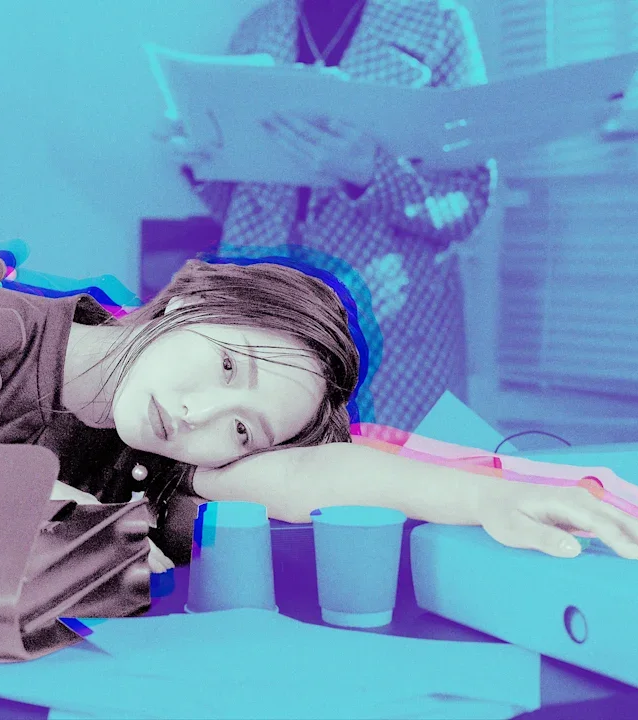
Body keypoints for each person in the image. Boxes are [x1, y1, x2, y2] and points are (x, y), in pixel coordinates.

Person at [0, 252, 638, 574]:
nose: (199, 414)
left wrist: (485, 499)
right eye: (227, 364)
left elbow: (319, 472)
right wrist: (6, 508)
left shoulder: (160, 464)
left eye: (242, 429)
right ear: (191, 299)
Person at [158, 0, 495, 431]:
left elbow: (467, 202)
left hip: (384, 321)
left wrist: (369, 172)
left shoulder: (436, 21)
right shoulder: (258, 29)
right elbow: (240, 207)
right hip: (262, 307)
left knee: (378, 464)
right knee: (256, 457)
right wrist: (202, 162)